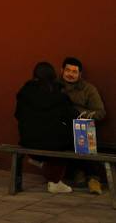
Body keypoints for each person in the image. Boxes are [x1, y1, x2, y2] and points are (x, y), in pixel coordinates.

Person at [15, 61, 75, 193]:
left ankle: (42, 164)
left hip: (28, 139)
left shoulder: (25, 92)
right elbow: (71, 116)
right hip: (54, 142)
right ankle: (55, 181)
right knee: (68, 140)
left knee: (55, 140)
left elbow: (18, 115)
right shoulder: (59, 95)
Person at [61, 56, 106, 194]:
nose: (70, 74)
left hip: (82, 127)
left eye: (74, 72)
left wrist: (80, 115)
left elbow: (100, 112)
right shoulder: (56, 87)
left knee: (83, 136)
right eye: (67, 70)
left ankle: (93, 178)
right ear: (62, 71)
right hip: (61, 127)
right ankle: (79, 172)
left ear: (80, 74)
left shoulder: (88, 89)